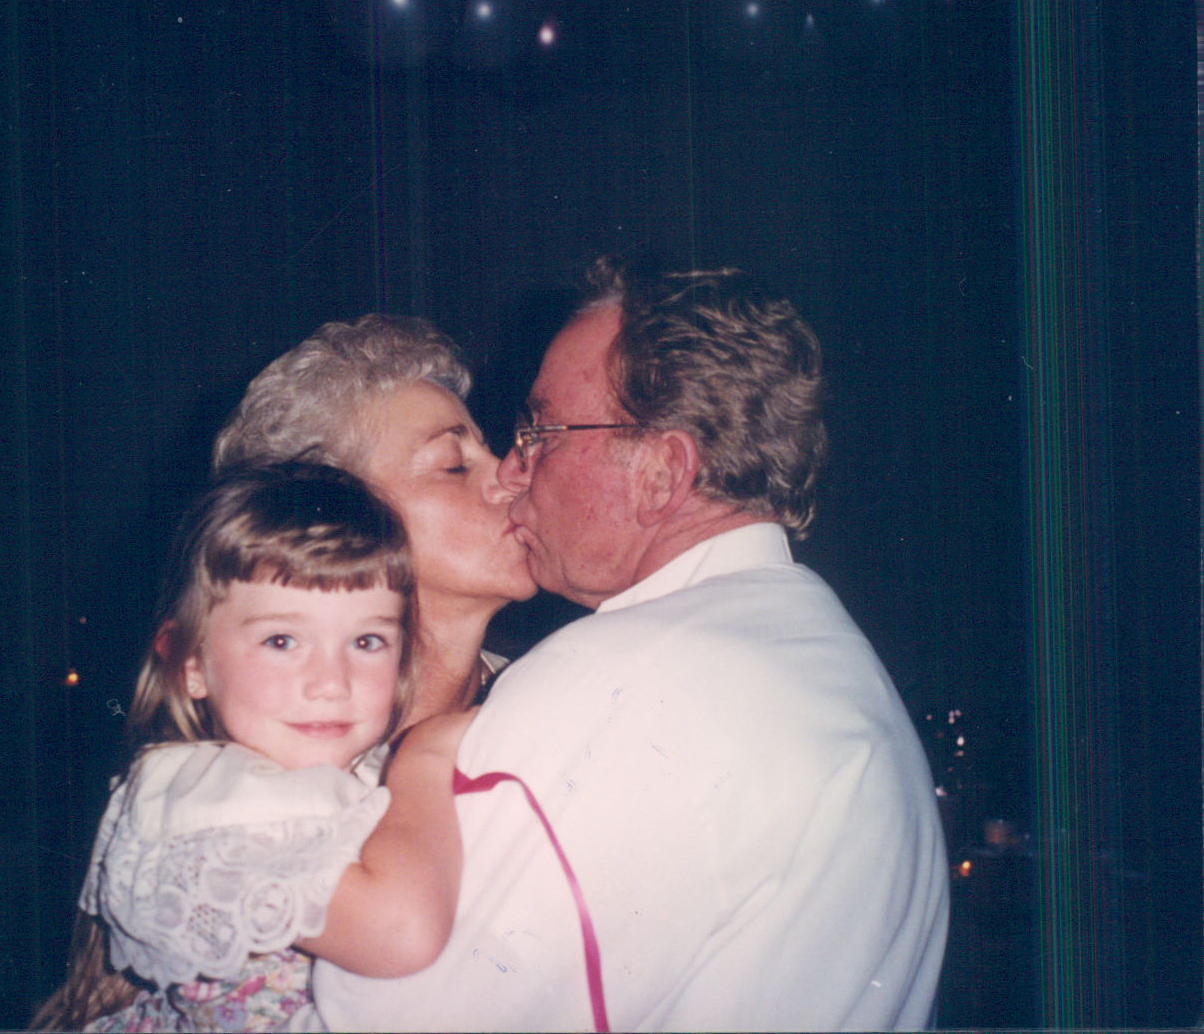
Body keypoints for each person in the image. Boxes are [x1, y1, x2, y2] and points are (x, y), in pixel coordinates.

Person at [313, 259, 950, 1031]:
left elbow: (385, 1015)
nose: (513, 469)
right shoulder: (825, 651)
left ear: (661, 473)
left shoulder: (620, 678)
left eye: (540, 431)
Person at [32, 463, 472, 1032]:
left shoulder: (359, 775)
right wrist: (426, 760)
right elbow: (401, 934)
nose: (331, 682)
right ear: (191, 664)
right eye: (281, 640)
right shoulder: (204, 793)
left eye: (367, 641)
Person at [212, 314, 536, 723]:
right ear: (335, 518)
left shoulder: (557, 700)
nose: (512, 477)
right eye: (453, 465)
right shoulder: (267, 746)